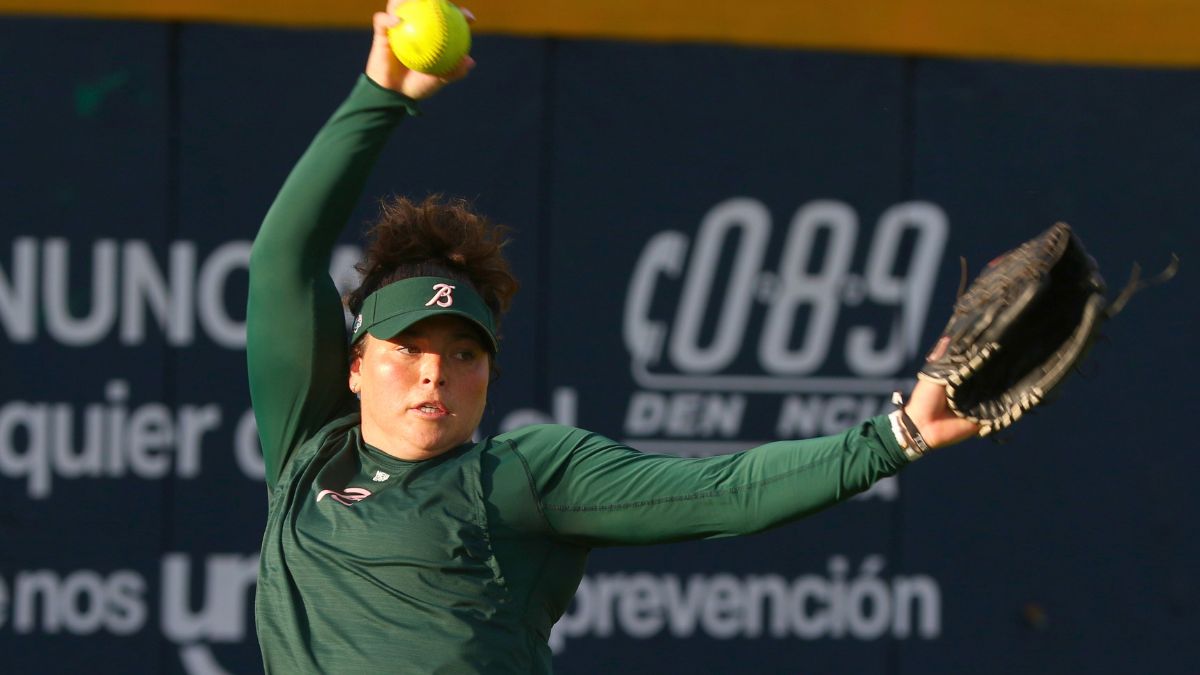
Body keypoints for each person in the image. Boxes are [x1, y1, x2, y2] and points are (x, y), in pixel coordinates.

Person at [246, 2, 980, 672]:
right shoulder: (312, 447)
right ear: (354, 366)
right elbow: (284, 254)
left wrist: (901, 433)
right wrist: (379, 97)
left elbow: (720, 491)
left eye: (462, 353)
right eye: (407, 348)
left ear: (488, 374)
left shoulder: (521, 476)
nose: (434, 372)